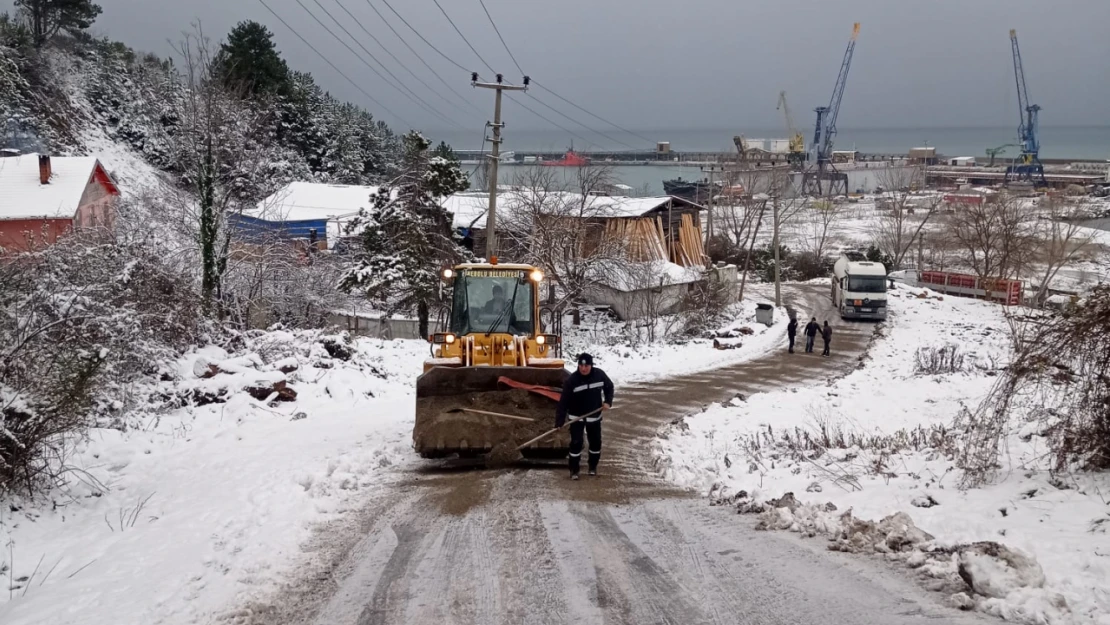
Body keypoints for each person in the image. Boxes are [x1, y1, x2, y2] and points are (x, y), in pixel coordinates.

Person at [555, 353, 614, 480]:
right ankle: (574, 470)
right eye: (581, 365)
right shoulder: (572, 380)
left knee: (595, 443)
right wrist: (559, 421)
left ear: (591, 365)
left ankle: (592, 466)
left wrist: (608, 401)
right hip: (576, 417)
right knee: (576, 443)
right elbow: (563, 402)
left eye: (586, 365)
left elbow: (609, 387)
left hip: (594, 417)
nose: (583, 368)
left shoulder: (599, 375)